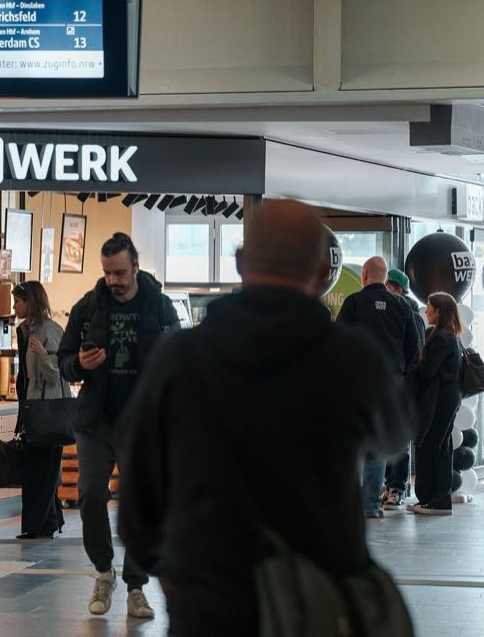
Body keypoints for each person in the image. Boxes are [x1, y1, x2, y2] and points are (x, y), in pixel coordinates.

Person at [118, 200, 415, 636]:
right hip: (318, 607)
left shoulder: (179, 359)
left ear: (240, 264)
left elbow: (137, 493)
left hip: (209, 604)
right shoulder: (349, 359)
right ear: (320, 272)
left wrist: (174, 573)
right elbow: (394, 437)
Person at [57, 232, 178, 619]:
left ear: (136, 267)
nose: (113, 280)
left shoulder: (159, 307)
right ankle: (103, 571)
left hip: (143, 423)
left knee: (141, 503)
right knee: (91, 494)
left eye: (120, 272)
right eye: (108, 272)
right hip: (96, 420)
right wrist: (80, 365)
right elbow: (62, 360)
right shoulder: (88, 307)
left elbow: (178, 359)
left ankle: (136, 587)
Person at [337, 256, 419, 517]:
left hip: (356, 381)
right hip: (389, 382)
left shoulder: (353, 303)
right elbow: (413, 346)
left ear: (363, 275)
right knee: (376, 442)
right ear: (385, 278)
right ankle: (370, 505)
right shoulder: (403, 306)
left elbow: (338, 342)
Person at [13, 280, 68, 539]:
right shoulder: (24, 330)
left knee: (43, 469)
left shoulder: (51, 331)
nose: (14, 306)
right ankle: (43, 523)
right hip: (32, 407)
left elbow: (59, 373)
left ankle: (39, 526)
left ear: (31, 302)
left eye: (18, 301)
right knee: (34, 468)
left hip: (48, 409)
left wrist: (44, 354)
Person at [409, 292, 463, 516]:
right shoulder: (451, 337)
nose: (426, 311)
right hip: (448, 398)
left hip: (440, 399)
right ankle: (438, 498)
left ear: (438, 311)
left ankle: (435, 499)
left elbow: (429, 371)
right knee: (441, 447)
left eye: (429, 307)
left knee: (431, 445)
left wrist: (412, 368)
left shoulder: (441, 338)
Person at [384, 267, 426, 508]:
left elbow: (416, 353)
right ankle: (391, 484)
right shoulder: (394, 311)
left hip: (403, 386)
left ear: (398, 288)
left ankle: (397, 487)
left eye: (388, 285)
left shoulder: (410, 314)